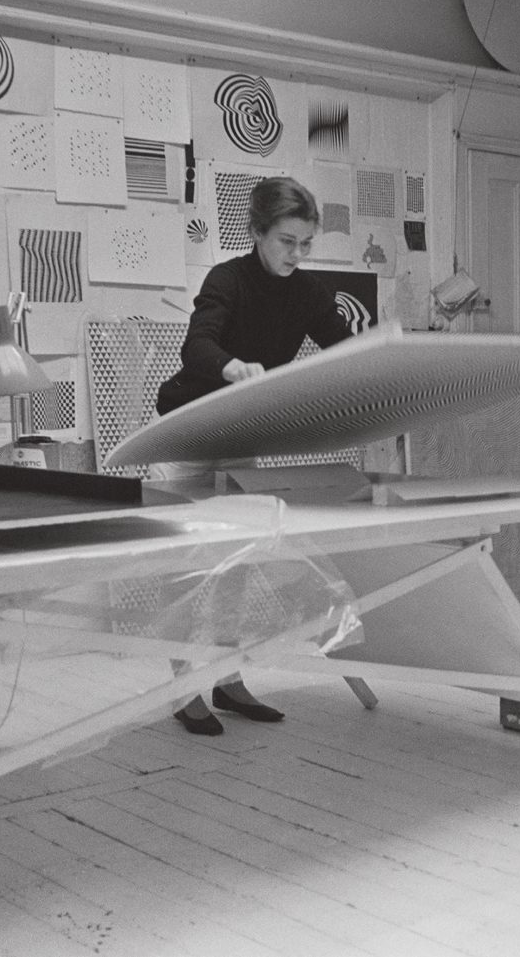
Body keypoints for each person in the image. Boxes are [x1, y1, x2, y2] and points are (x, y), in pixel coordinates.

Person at [151, 176, 353, 735]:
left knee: (240, 557)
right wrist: (230, 366)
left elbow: (343, 350)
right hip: (186, 429)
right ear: (257, 232)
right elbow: (197, 346)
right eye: (287, 241)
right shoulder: (227, 279)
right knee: (188, 563)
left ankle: (227, 677)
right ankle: (183, 687)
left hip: (242, 433)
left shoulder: (309, 294)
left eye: (306, 243)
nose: (297, 253)